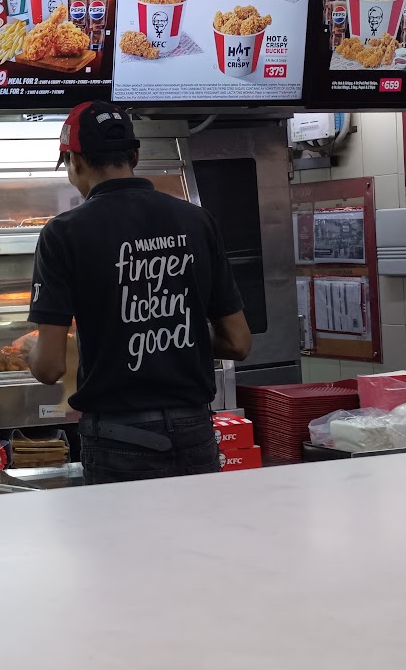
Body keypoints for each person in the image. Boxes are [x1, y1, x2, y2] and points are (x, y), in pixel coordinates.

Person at [27, 102, 252, 485]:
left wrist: (30, 352)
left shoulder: (63, 233)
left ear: (75, 161)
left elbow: (49, 368)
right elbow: (238, 342)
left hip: (118, 439)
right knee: (199, 526)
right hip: (195, 430)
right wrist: (174, 339)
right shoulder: (197, 220)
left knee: (125, 529)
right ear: (134, 155)